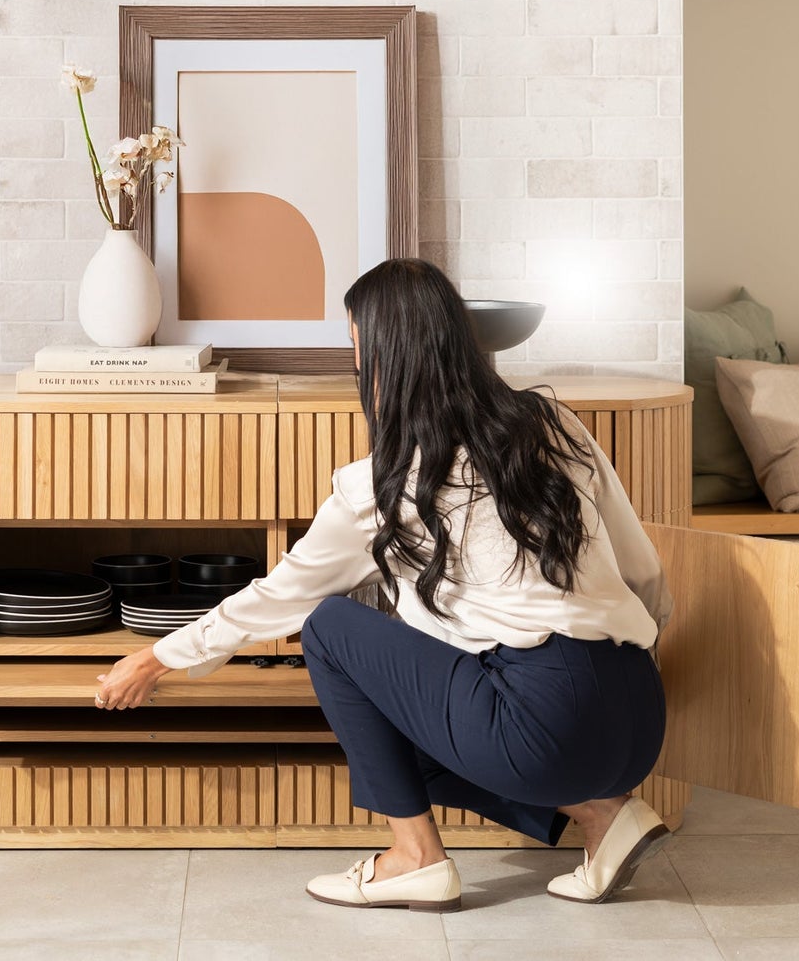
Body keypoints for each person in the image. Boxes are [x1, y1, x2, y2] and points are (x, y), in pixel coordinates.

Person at [93, 258, 673, 913]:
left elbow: (281, 595)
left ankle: (415, 856)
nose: (356, 364)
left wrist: (158, 654)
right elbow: (643, 568)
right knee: (400, 716)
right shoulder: (554, 425)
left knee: (331, 629)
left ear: (386, 359)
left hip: (545, 723)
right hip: (640, 713)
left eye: (355, 346)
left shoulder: (382, 483)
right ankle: (603, 813)